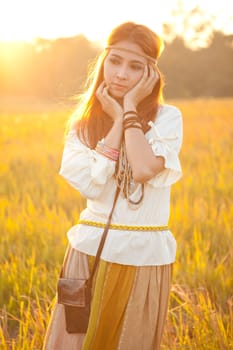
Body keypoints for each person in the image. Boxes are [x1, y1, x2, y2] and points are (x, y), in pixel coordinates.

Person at [43, 21, 183, 350]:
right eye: (115, 61)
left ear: (151, 74)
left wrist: (130, 108)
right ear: (103, 61)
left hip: (143, 257)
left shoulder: (168, 118)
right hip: (89, 253)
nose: (121, 74)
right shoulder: (81, 126)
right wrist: (116, 123)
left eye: (136, 67)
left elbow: (145, 168)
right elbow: (92, 187)